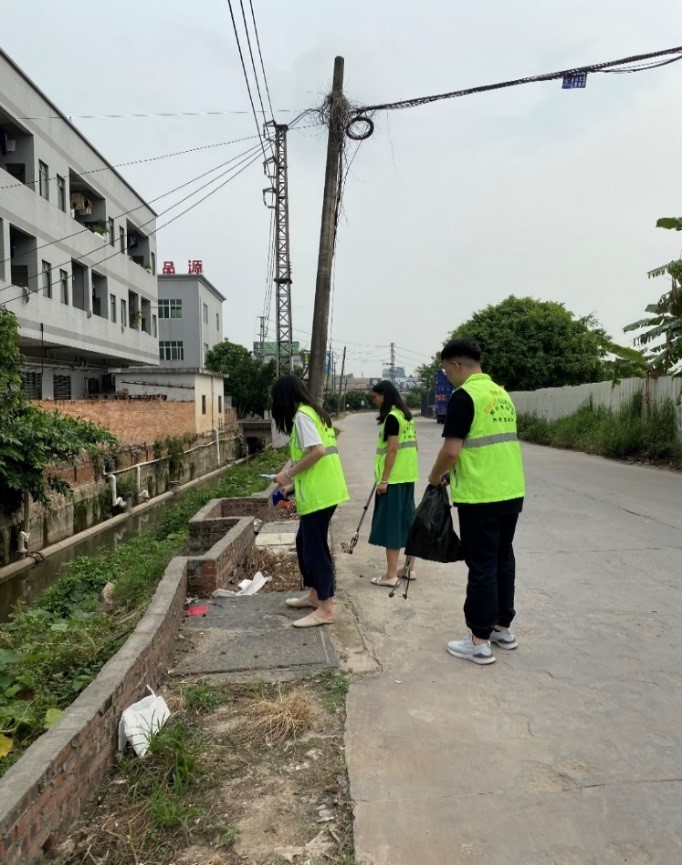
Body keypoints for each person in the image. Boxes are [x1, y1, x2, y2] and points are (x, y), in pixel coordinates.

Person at [426, 338, 525, 665]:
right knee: (502, 558)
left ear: (455, 365)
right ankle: (501, 628)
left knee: (482, 565)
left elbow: (451, 451)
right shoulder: (502, 395)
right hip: (511, 492)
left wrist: (434, 476)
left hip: (481, 496)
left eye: (445, 369)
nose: (447, 376)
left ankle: (479, 641)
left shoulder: (463, 397)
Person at [271, 374, 349, 627]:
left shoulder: (303, 416)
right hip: (323, 489)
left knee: (315, 549)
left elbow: (317, 451)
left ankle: (326, 609)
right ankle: (316, 596)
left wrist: (287, 475)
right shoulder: (313, 412)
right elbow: (317, 460)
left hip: (320, 494)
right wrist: (291, 487)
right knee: (304, 542)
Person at [367, 380, 419, 588]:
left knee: (392, 525)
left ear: (384, 395)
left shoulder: (392, 418)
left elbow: (392, 450)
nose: (374, 401)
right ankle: (408, 568)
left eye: (375, 397)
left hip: (394, 480)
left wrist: (385, 479)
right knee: (408, 522)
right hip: (407, 477)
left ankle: (390, 575)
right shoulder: (406, 416)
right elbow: (415, 445)